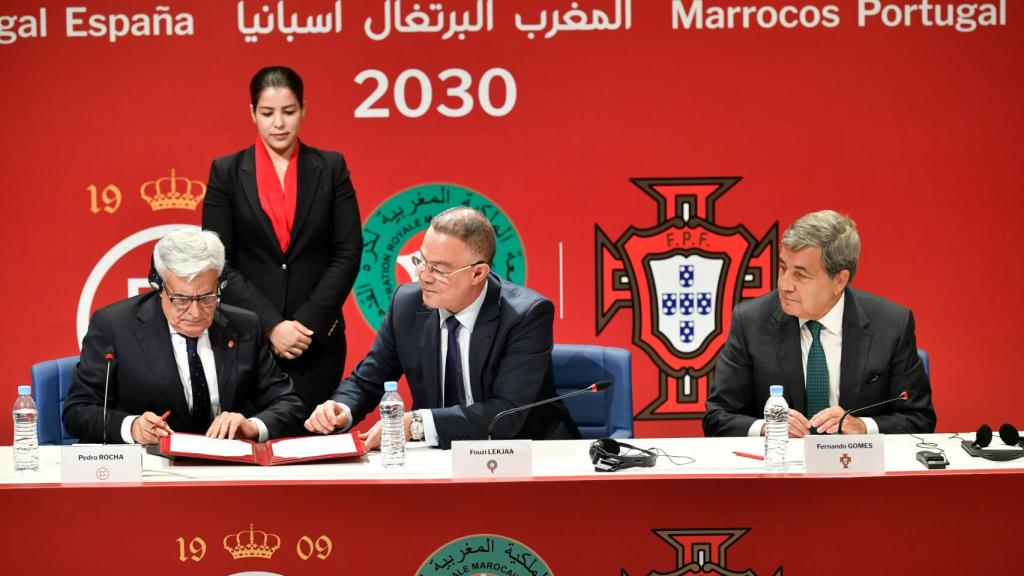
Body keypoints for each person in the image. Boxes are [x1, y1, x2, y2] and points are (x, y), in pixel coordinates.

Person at [304, 207, 580, 449]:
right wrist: (341, 407)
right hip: (439, 456)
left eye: (439, 269)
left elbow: (506, 415)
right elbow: (367, 380)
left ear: (478, 273)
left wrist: (417, 424)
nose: (423, 276)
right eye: (422, 261)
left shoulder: (525, 315)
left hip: (527, 454)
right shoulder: (406, 304)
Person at [203, 65, 362, 413]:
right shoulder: (226, 172)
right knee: (249, 441)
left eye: (289, 112)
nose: (279, 123)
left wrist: (306, 324)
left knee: (311, 442)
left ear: (304, 109)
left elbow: (347, 253)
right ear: (252, 113)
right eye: (267, 113)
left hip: (316, 341)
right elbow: (218, 260)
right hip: (245, 339)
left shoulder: (331, 167)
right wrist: (271, 326)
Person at [703, 210, 936, 437]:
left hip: (857, 468)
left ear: (839, 281)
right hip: (780, 468)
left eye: (801, 275)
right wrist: (768, 427)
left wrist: (863, 427)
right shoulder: (751, 321)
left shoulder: (891, 324)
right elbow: (717, 417)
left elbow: (919, 418)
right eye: (783, 268)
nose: (784, 285)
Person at [63, 229, 305, 445]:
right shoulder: (114, 326)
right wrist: (132, 427)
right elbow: (77, 411)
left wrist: (251, 426)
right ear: (158, 286)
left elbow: (289, 405)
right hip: (149, 476)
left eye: (207, 297)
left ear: (220, 285)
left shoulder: (245, 325)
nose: (195, 312)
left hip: (225, 475)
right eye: (181, 299)